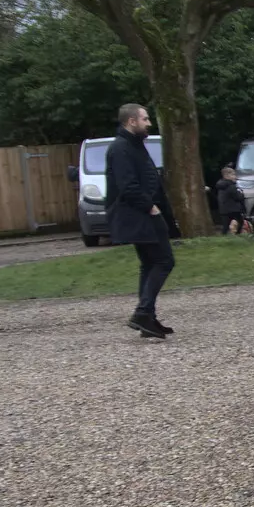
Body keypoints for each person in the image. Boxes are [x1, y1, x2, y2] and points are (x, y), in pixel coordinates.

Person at [104, 103, 175, 339]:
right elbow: (127, 185)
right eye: (145, 119)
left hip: (144, 214)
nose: (149, 123)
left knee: (149, 263)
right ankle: (143, 313)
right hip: (139, 215)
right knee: (164, 261)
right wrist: (151, 207)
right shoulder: (121, 148)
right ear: (131, 121)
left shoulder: (134, 145)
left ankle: (148, 317)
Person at [214, 165, 249, 235]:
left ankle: (223, 236)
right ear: (227, 176)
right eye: (233, 175)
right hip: (233, 209)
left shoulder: (221, 185)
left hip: (223, 209)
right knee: (240, 221)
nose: (235, 177)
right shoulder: (231, 186)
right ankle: (238, 234)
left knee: (225, 225)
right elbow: (237, 197)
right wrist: (241, 194)